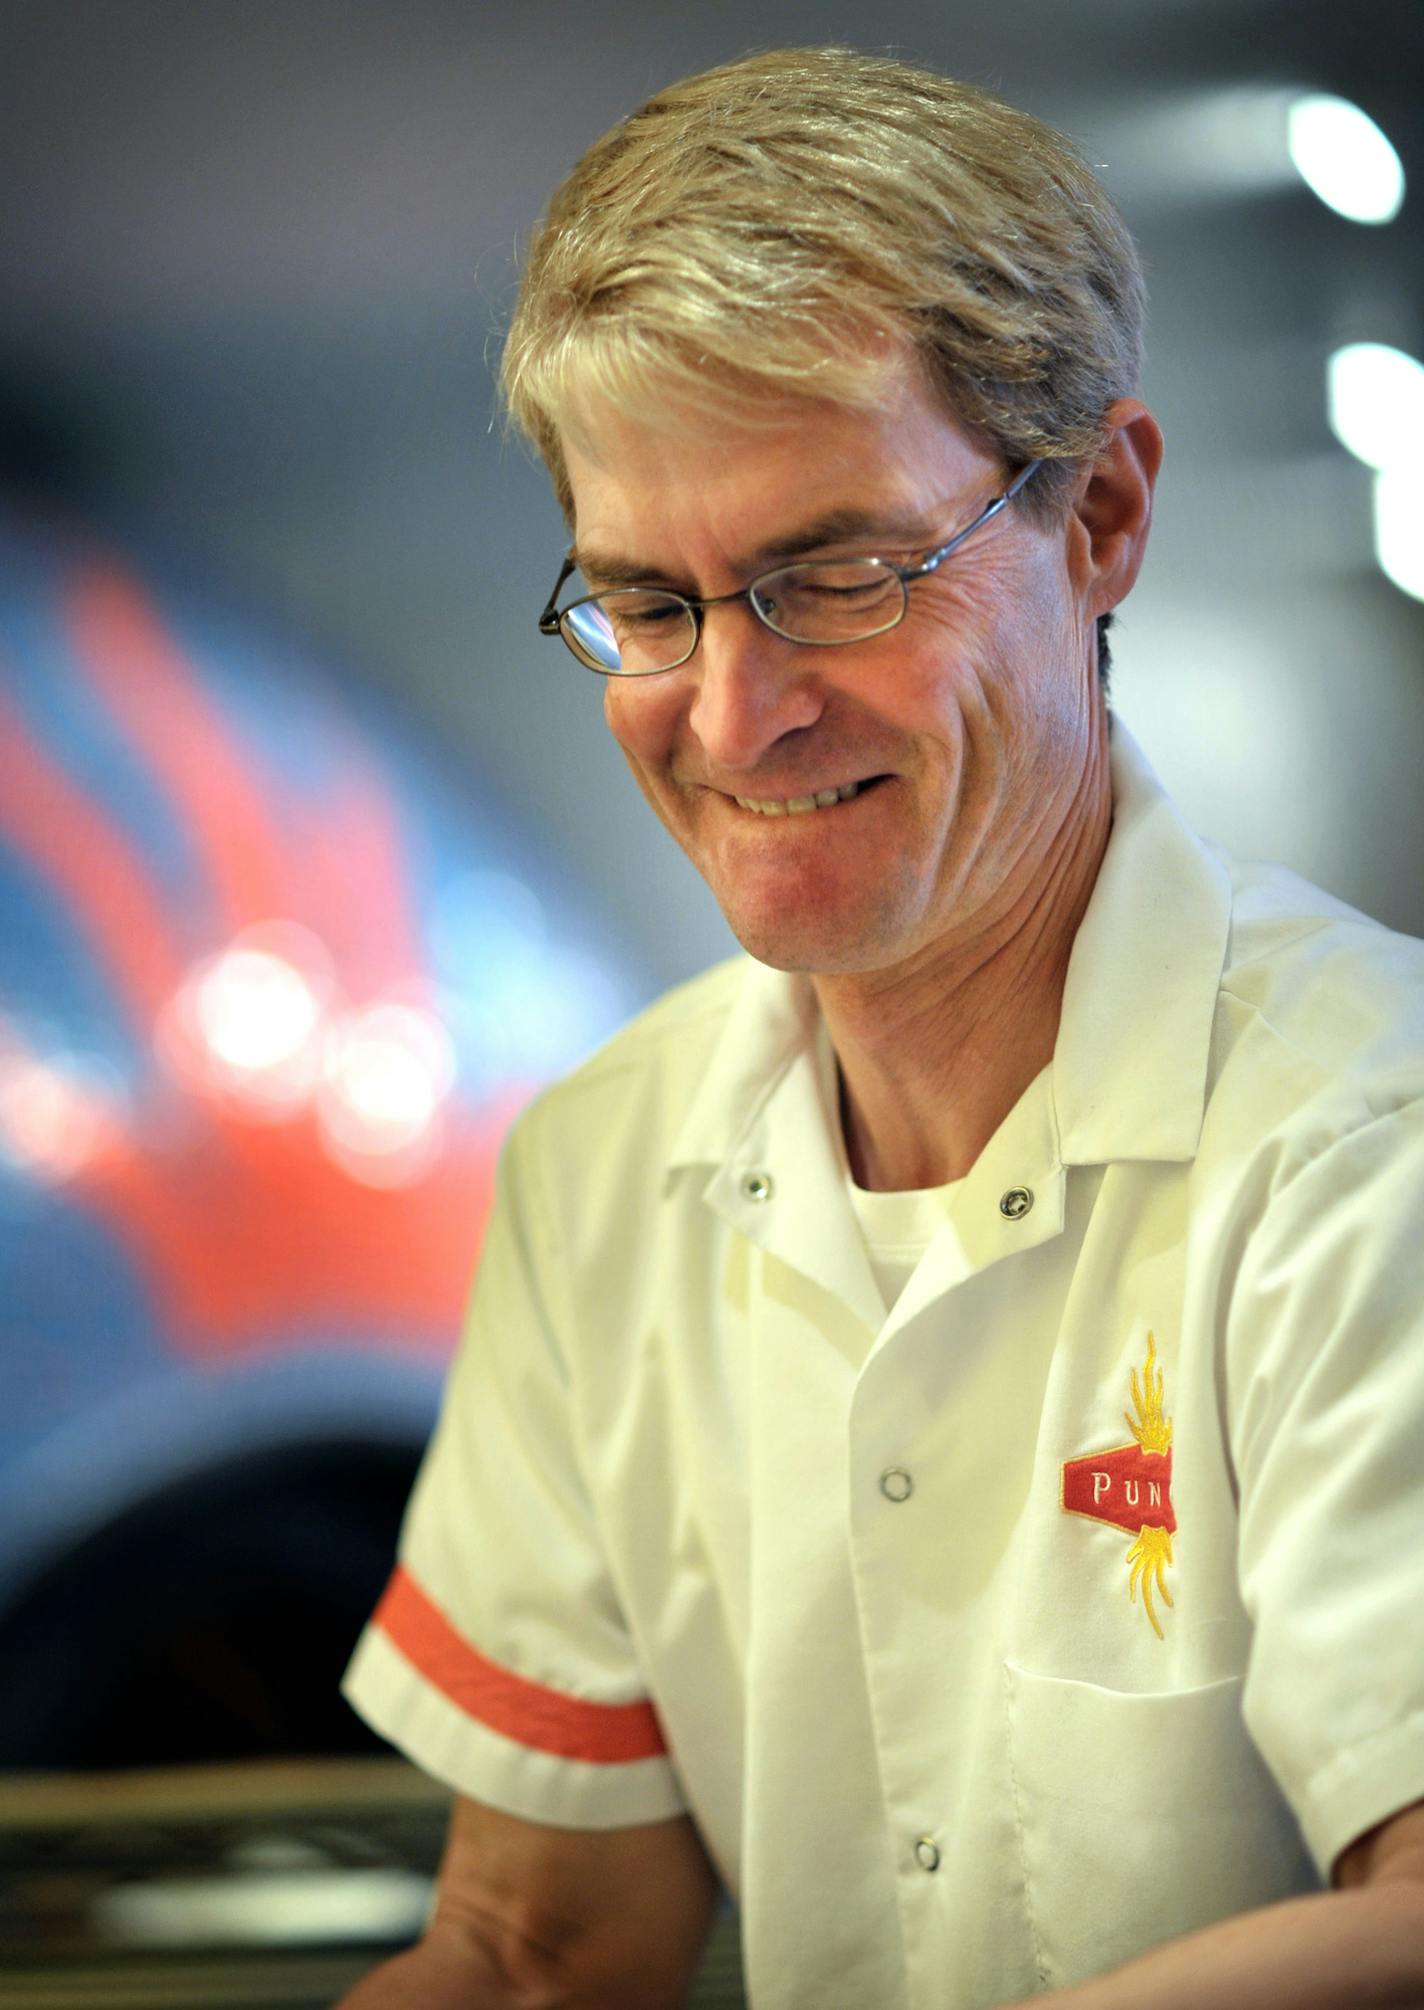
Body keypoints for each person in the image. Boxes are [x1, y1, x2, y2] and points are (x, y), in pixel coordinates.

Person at [336, 46, 1424, 2010]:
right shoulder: (605, 1173)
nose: (733, 716)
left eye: (833, 577)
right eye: (648, 606)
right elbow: (533, 1956)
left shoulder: (1371, 1138)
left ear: (1096, 515)